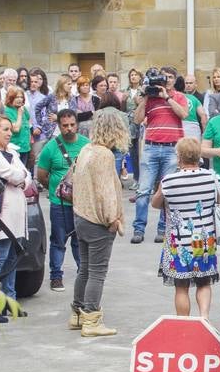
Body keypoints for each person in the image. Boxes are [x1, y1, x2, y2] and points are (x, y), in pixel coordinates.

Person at [69, 108, 128, 336]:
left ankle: (77, 313)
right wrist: (112, 219)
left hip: (81, 217)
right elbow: (106, 193)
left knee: (84, 269)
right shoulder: (105, 155)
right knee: (97, 272)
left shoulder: (86, 149)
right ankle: (91, 320)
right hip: (97, 221)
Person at [152, 137, 220, 319]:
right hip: (205, 241)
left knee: (181, 287)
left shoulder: (168, 182)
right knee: (203, 283)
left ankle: (184, 323)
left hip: (179, 243)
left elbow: (155, 203)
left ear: (179, 157)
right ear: (199, 156)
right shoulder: (211, 177)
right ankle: (204, 318)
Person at [0, 115, 30, 324]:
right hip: (1, 215)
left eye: (10, 129)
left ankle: (10, 301)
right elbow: (13, 175)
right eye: (5, 130)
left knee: (12, 260)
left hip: (17, 213)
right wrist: (19, 178)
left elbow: (26, 177)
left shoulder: (11, 151)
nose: (9, 133)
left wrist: (20, 178)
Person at [130, 68, 189, 243]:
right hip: (151, 147)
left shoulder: (178, 96)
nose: (167, 81)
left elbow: (184, 114)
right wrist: (147, 97)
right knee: (143, 190)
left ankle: (163, 228)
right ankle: (139, 229)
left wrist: (167, 97)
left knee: (167, 190)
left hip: (172, 148)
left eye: (170, 78)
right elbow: (137, 119)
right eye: (165, 78)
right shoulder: (150, 98)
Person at [35, 109, 87, 292]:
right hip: (59, 204)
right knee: (58, 240)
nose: (69, 129)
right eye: (65, 126)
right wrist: (58, 189)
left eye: (72, 125)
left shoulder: (86, 145)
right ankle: (56, 276)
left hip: (82, 203)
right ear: (59, 126)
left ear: (77, 124)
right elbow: (41, 175)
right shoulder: (51, 147)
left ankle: (84, 274)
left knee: (80, 240)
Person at [36, 76, 82, 144]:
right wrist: (42, 123)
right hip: (53, 132)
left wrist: (58, 118)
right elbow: (37, 107)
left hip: (68, 131)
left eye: (71, 84)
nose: (71, 86)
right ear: (62, 85)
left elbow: (73, 115)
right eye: (68, 84)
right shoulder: (52, 97)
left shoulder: (72, 98)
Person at [2, 84, 35, 171]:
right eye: (17, 97)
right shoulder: (7, 111)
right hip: (15, 148)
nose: (20, 99)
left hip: (25, 148)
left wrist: (30, 145)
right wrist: (19, 115)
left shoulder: (23, 109)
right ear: (11, 98)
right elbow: (16, 129)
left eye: (21, 97)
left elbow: (28, 125)